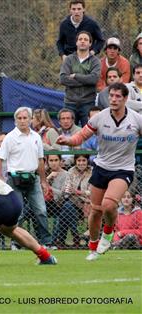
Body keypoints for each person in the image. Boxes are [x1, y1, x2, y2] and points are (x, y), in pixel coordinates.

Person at [56, 82, 142, 261]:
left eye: (118, 96)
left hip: (123, 169)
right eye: (111, 95)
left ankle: (108, 234)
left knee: (109, 205)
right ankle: (93, 248)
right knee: (95, 211)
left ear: (126, 99)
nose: (114, 99)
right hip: (101, 167)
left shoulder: (136, 119)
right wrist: (69, 141)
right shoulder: (99, 118)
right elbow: (82, 135)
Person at [0, 107, 53, 247]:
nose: (22, 121)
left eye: (25, 118)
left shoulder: (36, 137)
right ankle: (17, 242)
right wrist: (1, 179)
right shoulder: (10, 137)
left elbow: (40, 160)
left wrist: (44, 181)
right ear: (15, 120)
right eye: (19, 118)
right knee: (18, 214)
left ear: (30, 119)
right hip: (15, 179)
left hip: (33, 178)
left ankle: (46, 242)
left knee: (41, 211)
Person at [60, 31, 101, 127]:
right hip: (70, 102)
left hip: (88, 103)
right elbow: (63, 79)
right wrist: (86, 80)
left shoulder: (95, 61)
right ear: (76, 42)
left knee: (88, 132)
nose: (83, 41)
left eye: (86, 40)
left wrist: (76, 76)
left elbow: (94, 79)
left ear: (90, 44)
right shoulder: (69, 59)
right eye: (80, 39)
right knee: (69, 133)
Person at [55, 154, 91, 248]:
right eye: (79, 161)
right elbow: (66, 188)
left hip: (86, 202)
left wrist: (77, 192)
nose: (81, 163)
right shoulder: (71, 171)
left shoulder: (92, 172)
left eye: (84, 160)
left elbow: (91, 192)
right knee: (68, 207)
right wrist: (73, 192)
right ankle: (76, 237)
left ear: (87, 161)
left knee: (66, 208)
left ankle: (61, 240)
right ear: (75, 161)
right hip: (72, 200)